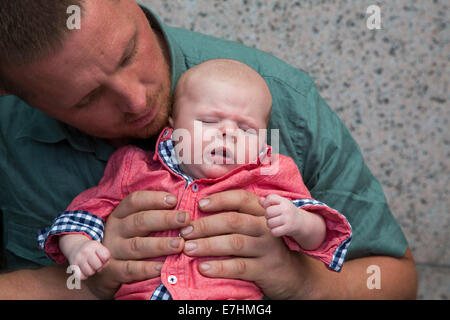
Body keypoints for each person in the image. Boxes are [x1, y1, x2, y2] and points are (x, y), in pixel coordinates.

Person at [0, 0, 417, 299]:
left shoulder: (282, 100)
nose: (138, 102)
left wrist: (306, 284)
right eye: (86, 99)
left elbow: (397, 279)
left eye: (129, 52)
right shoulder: (11, 126)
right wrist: (84, 282)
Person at [37, 59, 352, 299]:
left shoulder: (268, 173)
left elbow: (321, 233)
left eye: (246, 130)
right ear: (174, 126)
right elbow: (84, 214)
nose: (227, 133)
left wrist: (298, 221)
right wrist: (79, 248)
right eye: (209, 121)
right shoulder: (135, 167)